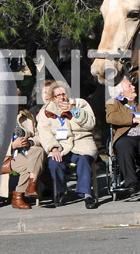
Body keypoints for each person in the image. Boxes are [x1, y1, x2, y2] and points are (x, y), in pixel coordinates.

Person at [37, 81, 99, 209]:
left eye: (63, 94)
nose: (61, 97)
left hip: (81, 141)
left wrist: (73, 110)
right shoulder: (46, 111)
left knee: (84, 159)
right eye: (57, 95)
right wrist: (53, 147)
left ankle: (86, 194)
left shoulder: (80, 103)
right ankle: (60, 193)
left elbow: (91, 123)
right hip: (60, 144)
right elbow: (44, 132)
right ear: (53, 98)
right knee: (54, 162)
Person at [107, 74, 140, 196]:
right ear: (120, 92)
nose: (133, 87)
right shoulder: (113, 103)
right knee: (122, 145)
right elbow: (111, 117)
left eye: (132, 84)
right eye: (129, 85)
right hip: (126, 134)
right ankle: (130, 181)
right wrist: (133, 119)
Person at [2, 108, 48, 209]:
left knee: (39, 151)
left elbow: (37, 135)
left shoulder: (26, 116)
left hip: (28, 149)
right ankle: (17, 196)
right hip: (11, 154)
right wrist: (12, 146)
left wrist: (30, 142)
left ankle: (31, 185)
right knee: (28, 167)